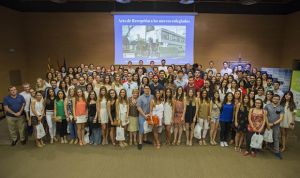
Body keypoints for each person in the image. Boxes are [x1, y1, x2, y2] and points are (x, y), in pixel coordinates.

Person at [264, 94, 284, 159]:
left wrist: (273, 124)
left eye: (277, 99)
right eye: (274, 99)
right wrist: (267, 124)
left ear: (279, 100)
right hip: (267, 124)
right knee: (265, 136)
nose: (275, 100)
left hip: (276, 126)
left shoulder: (281, 107)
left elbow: (281, 118)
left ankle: (277, 152)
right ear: (272, 99)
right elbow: (265, 115)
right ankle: (260, 147)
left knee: (276, 138)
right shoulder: (267, 106)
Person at [137, 85, 153, 150]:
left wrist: (150, 114)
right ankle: (140, 142)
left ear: (149, 89)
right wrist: (144, 115)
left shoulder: (152, 96)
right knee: (141, 128)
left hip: (149, 115)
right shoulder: (140, 98)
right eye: (145, 88)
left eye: (148, 88)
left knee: (147, 127)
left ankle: (145, 139)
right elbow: (138, 107)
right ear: (143, 90)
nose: (146, 90)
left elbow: (153, 105)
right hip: (142, 115)